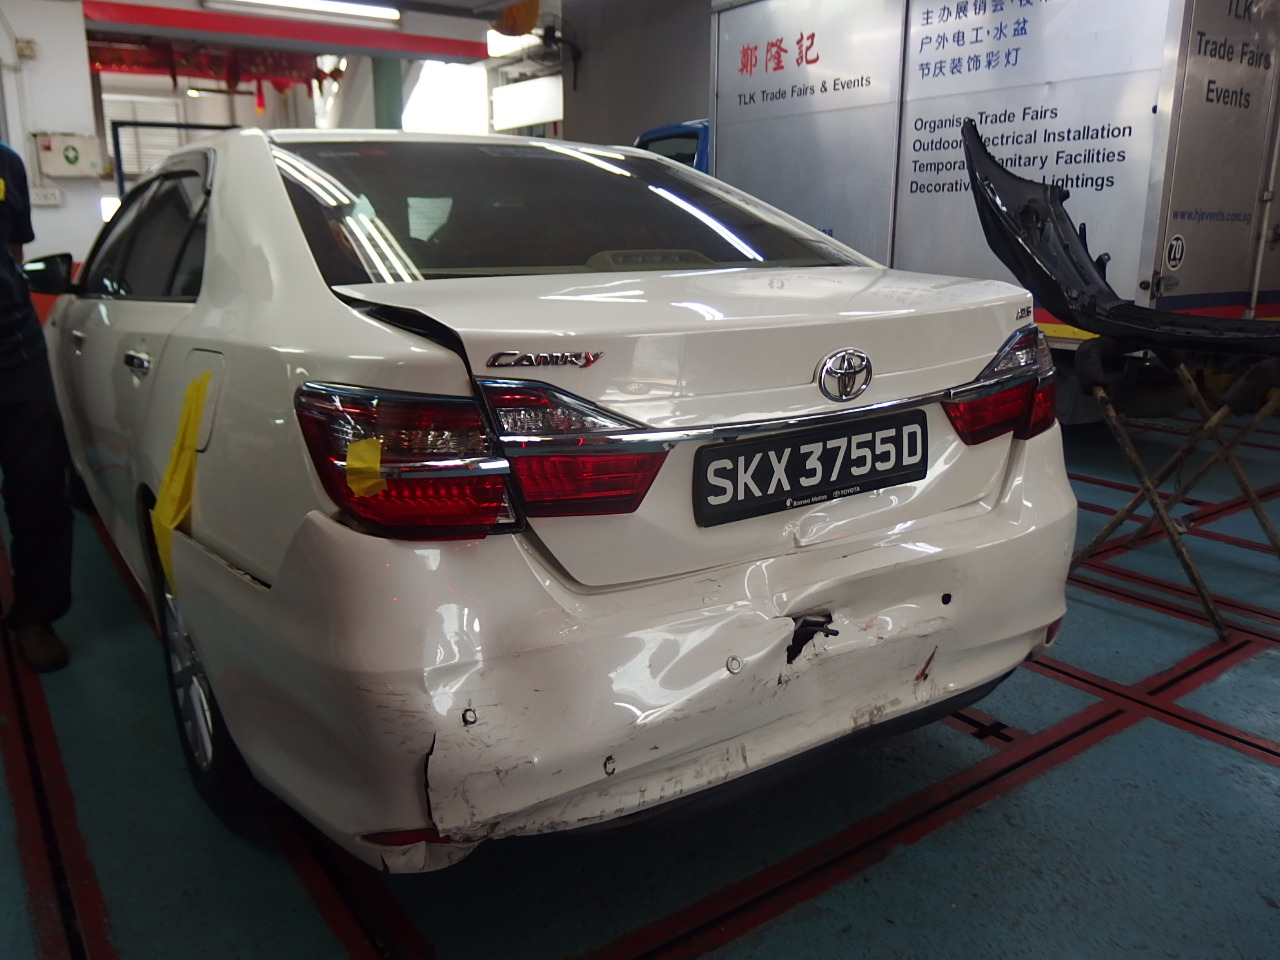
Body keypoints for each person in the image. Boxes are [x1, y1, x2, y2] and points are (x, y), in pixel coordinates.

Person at [0, 138, 72, 672]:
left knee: (39, 488)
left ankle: (36, 616)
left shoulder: (6, 163)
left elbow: (14, 252)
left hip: (14, 349)